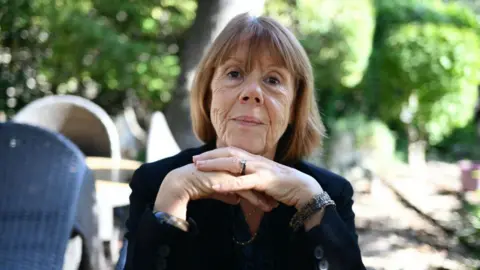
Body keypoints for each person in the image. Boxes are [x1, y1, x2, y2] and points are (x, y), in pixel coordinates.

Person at [123, 13, 365, 270]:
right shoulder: (155, 183)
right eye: (234, 73)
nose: (252, 92)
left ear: (295, 106)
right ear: (208, 93)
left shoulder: (330, 193)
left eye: (273, 80)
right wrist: (173, 197)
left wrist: (313, 204)